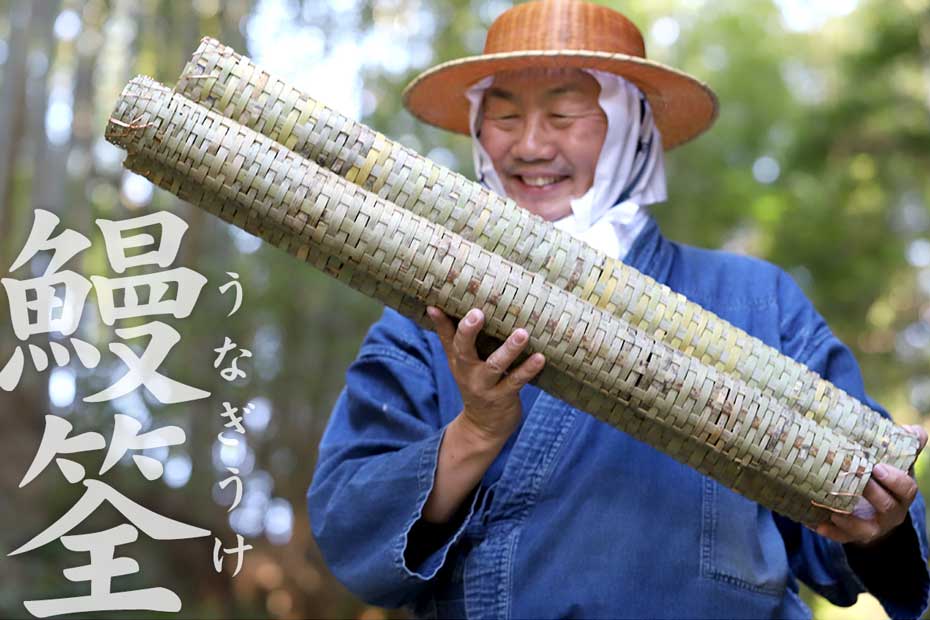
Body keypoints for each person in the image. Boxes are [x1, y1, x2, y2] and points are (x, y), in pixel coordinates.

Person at [307, 1, 930, 617]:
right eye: (503, 115)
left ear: (632, 125)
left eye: (563, 113)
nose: (528, 144)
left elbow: (864, 527)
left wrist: (876, 522)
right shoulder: (427, 310)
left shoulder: (753, 301)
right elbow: (350, 522)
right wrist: (477, 431)